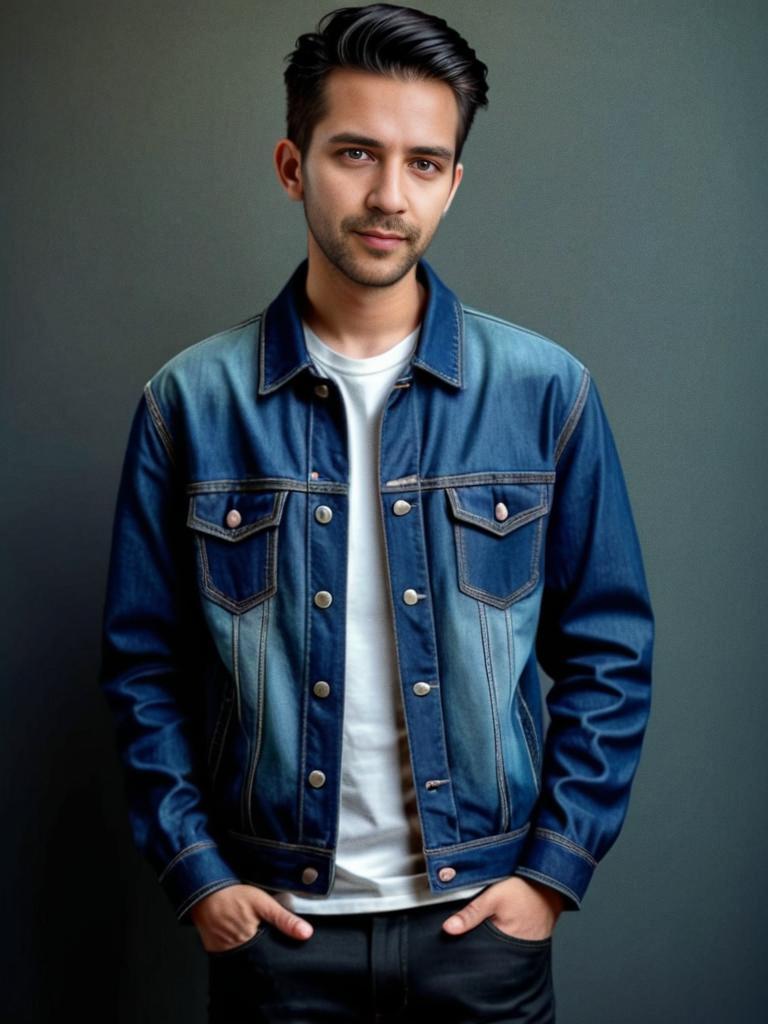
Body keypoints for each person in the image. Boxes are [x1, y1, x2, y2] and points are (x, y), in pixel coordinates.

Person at [98, 4, 654, 1021]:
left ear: (453, 180)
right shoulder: (190, 403)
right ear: (291, 163)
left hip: (481, 926)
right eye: (356, 152)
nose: (390, 195)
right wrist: (199, 876)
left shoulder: (545, 391)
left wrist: (549, 874)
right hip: (277, 937)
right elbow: (143, 667)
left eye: (427, 163)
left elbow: (610, 648)